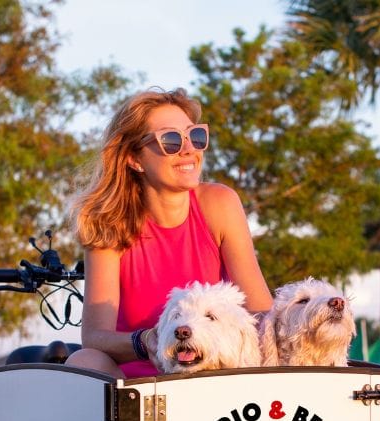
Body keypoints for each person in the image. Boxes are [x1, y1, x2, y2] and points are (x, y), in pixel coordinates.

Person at [67, 87, 272, 378]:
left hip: (212, 374)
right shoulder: (108, 223)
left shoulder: (220, 204)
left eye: (195, 136)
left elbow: (260, 312)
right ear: (134, 159)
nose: (189, 149)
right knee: (84, 362)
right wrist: (145, 341)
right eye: (171, 141)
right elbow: (95, 336)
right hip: (138, 379)